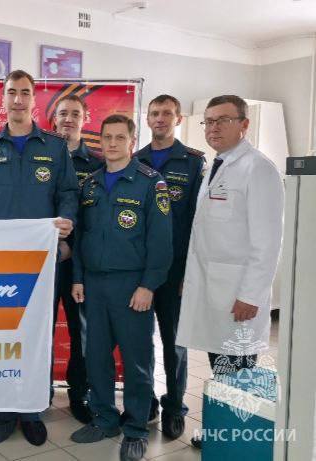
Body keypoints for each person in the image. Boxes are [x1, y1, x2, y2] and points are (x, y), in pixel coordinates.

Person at [0, 69, 78, 447]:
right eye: (11, 92)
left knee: (38, 336)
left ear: (34, 98)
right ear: (3, 98)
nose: (18, 99)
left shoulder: (55, 147)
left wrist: (67, 222)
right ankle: (3, 411)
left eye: (25, 92)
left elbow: (68, 193)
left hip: (42, 262)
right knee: (1, 336)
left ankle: (32, 410)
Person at [175, 95, 284, 449]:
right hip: (213, 290)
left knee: (239, 372)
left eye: (223, 120)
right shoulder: (217, 166)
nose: (213, 128)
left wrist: (251, 295)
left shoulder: (259, 169)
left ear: (244, 124)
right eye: (209, 121)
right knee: (220, 367)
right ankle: (220, 432)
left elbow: (268, 241)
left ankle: (237, 442)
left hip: (238, 296)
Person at [69, 115, 172, 461]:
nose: (112, 143)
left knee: (136, 359)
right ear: (100, 141)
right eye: (107, 137)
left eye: (119, 137)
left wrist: (148, 286)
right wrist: (78, 277)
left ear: (132, 142)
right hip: (94, 285)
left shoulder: (151, 183)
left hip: (132, 285)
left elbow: (161, 241)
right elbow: (81, 237)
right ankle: (104, 419)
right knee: (96, 357)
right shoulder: (91, 184)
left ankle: (136, 428)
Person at [134, 94, 205, 438]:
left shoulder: (193, 162)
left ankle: (175, 407)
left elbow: (198, 222)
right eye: (154, 113)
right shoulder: (135, 160)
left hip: (176, 271)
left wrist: (190, 272)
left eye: (167, 113)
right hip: (140, 270)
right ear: (147, 119)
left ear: (178, 119)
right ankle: (146, 401)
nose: (160, 119)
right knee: (140, 341)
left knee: (175, 342)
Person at [51, 94, 103, 424]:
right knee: (39, 328)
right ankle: (38, 390)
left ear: (85, 119)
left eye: (75, 113)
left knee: (80, 332)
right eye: (63, 113)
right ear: (54, 119)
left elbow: (97, 218)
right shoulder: (42, 158)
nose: (68, 119)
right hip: (44, 259)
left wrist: (72, 247)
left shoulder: (97, 164)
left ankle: (78, 394)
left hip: (80, 264)